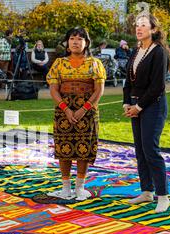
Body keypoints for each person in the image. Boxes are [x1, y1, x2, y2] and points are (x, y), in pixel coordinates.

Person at [46, 27, 106, 201]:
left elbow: (98, 90)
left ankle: (80, 187)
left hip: (87, 111)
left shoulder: (95, 63)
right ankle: (65, 188)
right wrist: (66, 108)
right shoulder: (58, 63)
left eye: (80, 39)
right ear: (67, 42)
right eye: (72, 38)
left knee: (84, 148)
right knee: (63, 147)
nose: (75, 42)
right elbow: (54, 89)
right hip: (64, 111)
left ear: (86, 43)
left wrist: (83, 109)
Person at [123, 13, 170, 213]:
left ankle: (163, 196)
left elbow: (157, 86)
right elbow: (129, 80)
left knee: (151, 150)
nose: (139, 28)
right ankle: (146, 191)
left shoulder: (158, 52)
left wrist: (139, 107)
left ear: (153, 29)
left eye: (143, 25)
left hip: (153, 106)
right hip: (135, 105)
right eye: (137, 25)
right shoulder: (136, 51)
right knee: (140, 150)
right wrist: (127, 103)